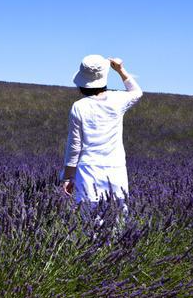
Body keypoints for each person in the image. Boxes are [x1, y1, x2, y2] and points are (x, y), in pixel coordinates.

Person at [59, 54, 143, 210]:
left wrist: (68, 176)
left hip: (88, 169)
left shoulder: (79, 106)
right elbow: (137, 92)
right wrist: (120, 70)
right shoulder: (117, 100)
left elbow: (74, 146)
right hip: (116, 168)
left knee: (90, 223)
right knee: (118, 220)